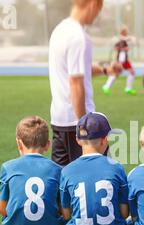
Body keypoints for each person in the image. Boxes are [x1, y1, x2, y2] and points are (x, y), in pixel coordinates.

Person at [59, 112, 129, 225]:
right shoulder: (116, 168)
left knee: (60, 224)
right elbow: (124, 212)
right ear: (105, 140)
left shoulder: (67, 171)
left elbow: (66, 214)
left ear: (77, 140)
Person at [49, 0, 121, 166]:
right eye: (99, 10)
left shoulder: (60, 30)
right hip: (77, 123)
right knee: (95, 176)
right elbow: (75, 82)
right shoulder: (79, 37)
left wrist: (105, 70)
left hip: (59, 120)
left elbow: (78, 69)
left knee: (63, 182)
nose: (97, 16)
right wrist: (83, 127)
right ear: (93, 4)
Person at [102, 25, 137, 96]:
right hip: (119, 60)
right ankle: (106, 86)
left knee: (132, 72)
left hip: (125, 60)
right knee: (116, 74)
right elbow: (115, 48)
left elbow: (131, 43)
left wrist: (127, 45)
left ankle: (128, 88)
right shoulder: (119, 39)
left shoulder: (126, 39)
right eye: (125, 31)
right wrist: (122, 48)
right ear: (122, 32)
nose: (127, 32)